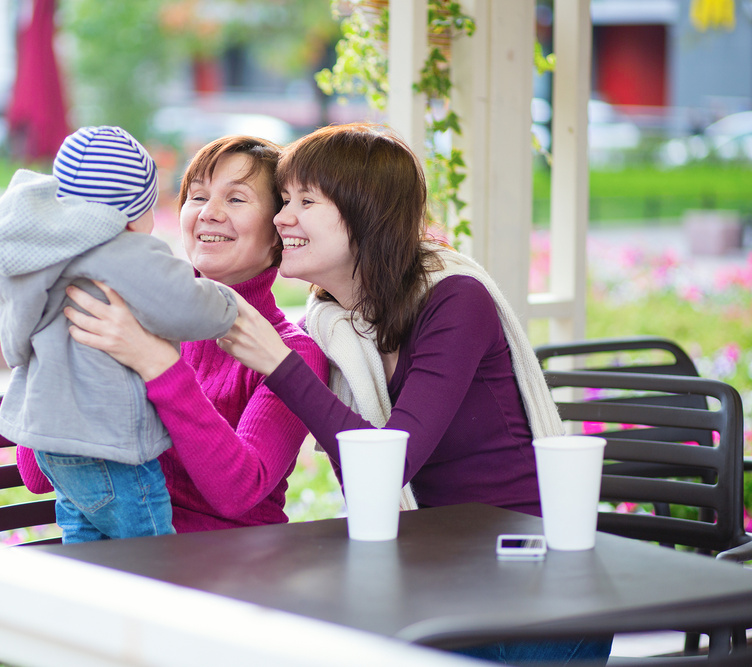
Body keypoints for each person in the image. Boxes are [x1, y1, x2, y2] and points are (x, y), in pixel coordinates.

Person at [215, 123, 612, 664]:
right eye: (284, 199)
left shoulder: (455, 300)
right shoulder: (333, 324)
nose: (283, 218)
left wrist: (281, 366)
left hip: (535, 586)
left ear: (366, 214)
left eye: (305, 201)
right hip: (436, 574)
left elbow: (387, 463)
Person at [17, 135, 330, 533]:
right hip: (131, 561)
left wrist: (157, 364)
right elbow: (37, 475)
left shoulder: (290, 352)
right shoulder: (124, 317)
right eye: (197, 197)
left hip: (236, 569)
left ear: (277, 230)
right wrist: (55, 340)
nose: (209, 213)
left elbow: (238, 493)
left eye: (236, 199)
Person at [0, 126, 239, 542]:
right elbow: (184, 302)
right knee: (151, 554)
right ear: (130, 212)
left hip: (53, 447)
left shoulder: (43, 254)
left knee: (84, 544)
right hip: (112, 446)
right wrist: (228, 303)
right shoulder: (121, 250)